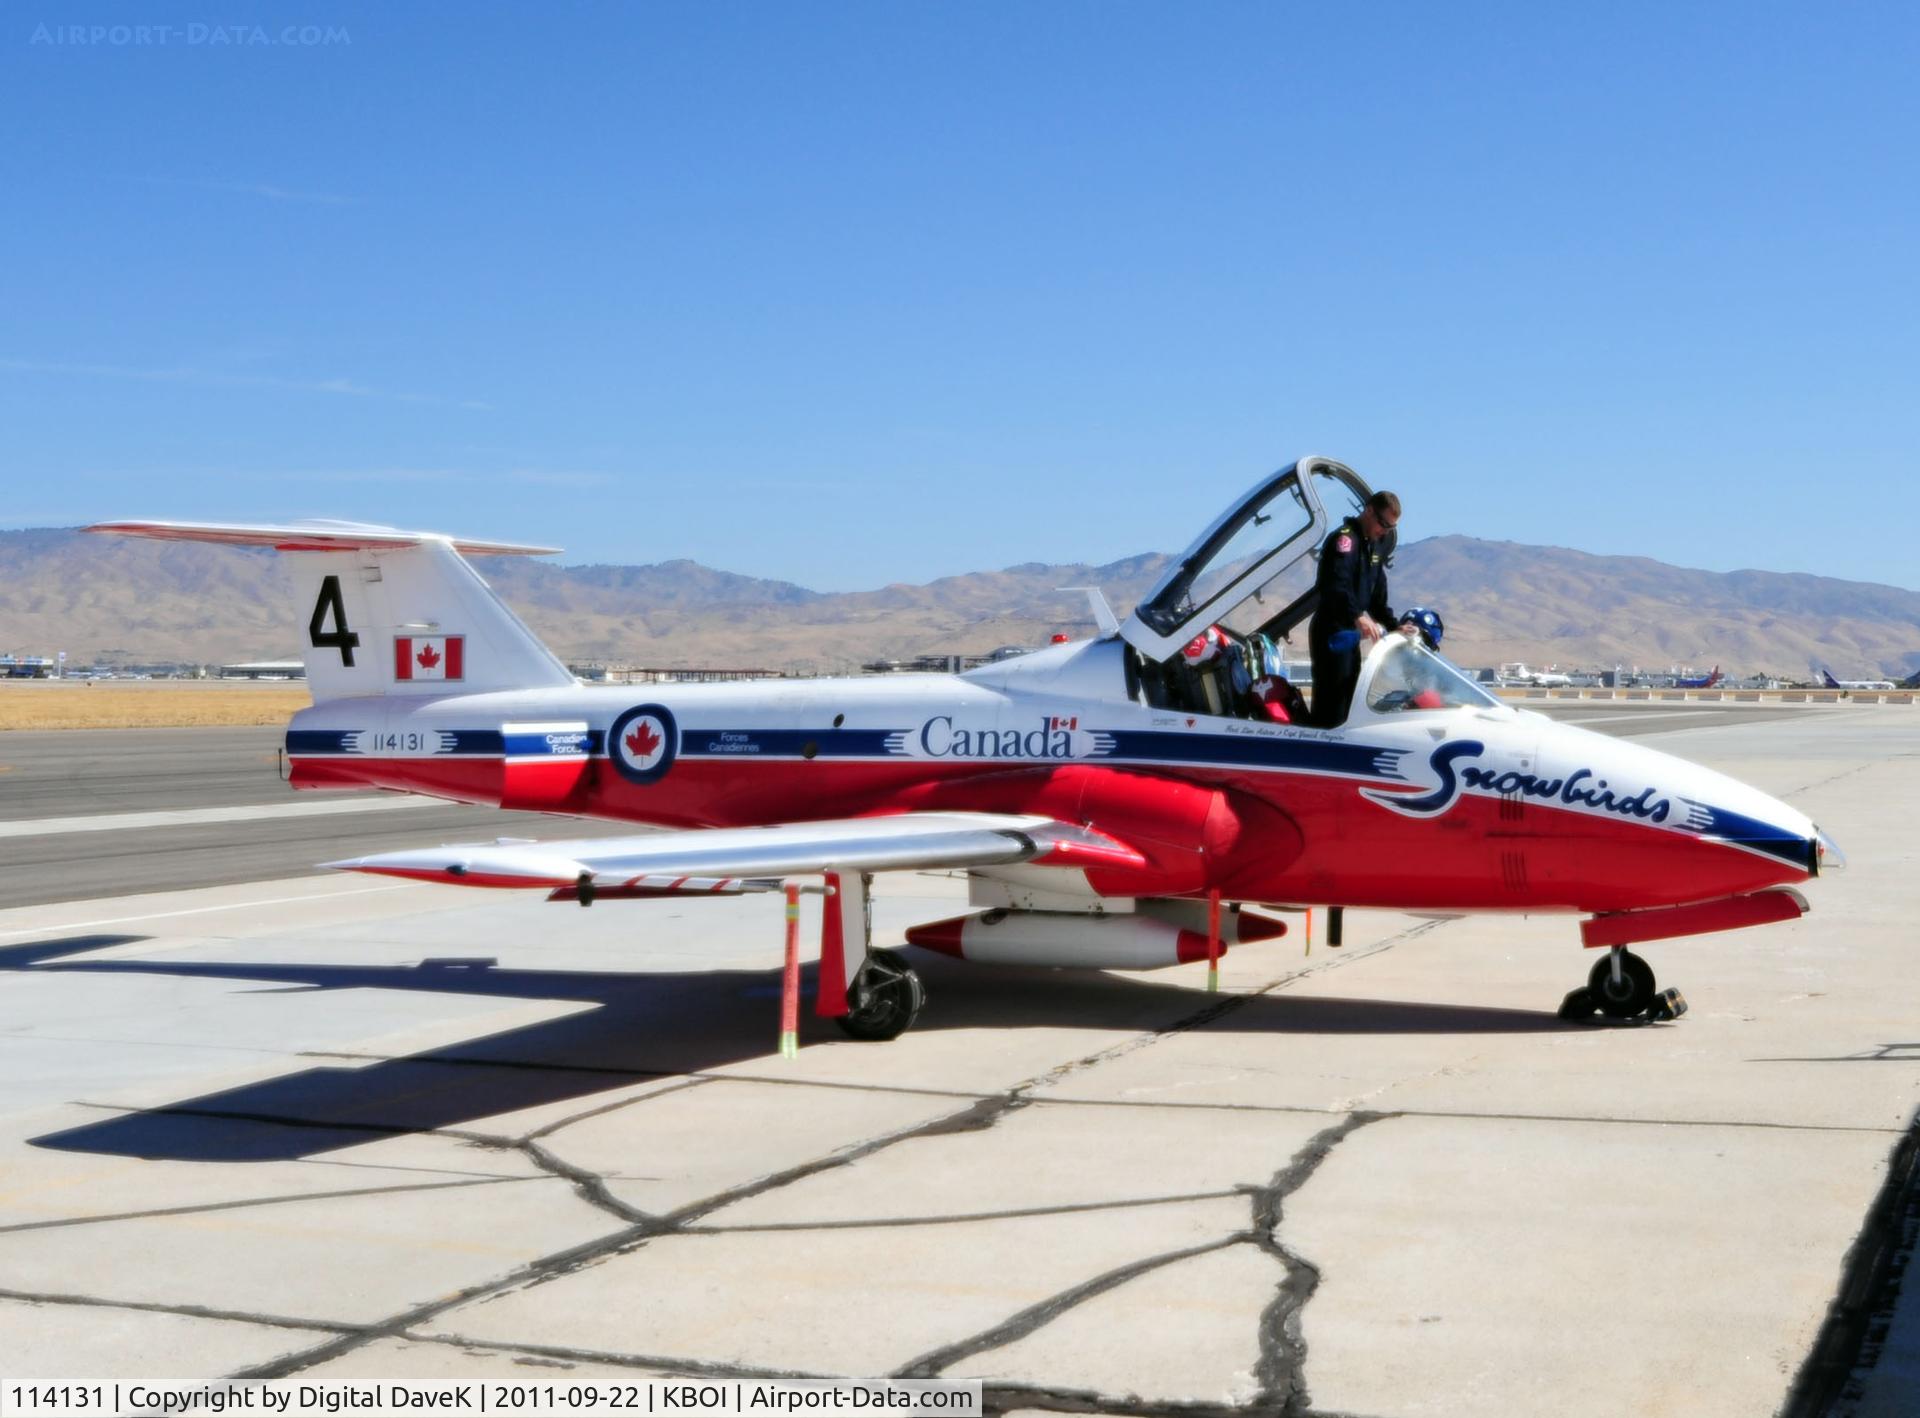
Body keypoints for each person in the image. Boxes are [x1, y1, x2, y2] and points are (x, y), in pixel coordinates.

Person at [1309, 490, 1404, 726]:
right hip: (1333, 632)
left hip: (1350, 636)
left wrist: (1397, 628)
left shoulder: (1374, 547)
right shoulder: (1344, 541)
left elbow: (1377, 599)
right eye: (1382, 523)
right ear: (1369, 510)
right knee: (1333, 702)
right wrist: (1357, 615)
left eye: (1390, 528)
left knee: (1349, 698)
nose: (1384, 531)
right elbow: (1335, 585)